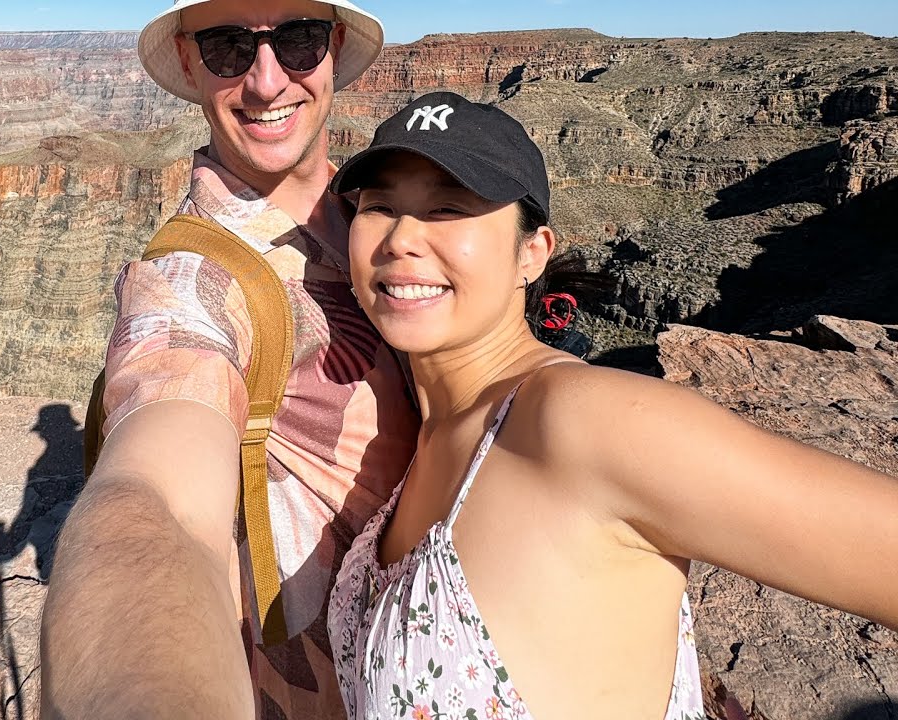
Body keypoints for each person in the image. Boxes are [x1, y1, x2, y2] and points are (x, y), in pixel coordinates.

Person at [325, 91, 898, 720]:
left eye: (447, 209)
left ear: (532, 252)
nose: (402, 238)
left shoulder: (582, 419)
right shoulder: (421, 435)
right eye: (379, 207)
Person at [40, 2, 419, 718]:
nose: (267, 81)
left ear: (334, 47)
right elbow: (157, 506)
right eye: (227, 47)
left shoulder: (380, 216)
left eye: (299, 41)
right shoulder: (191, 281)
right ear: (188, 61)